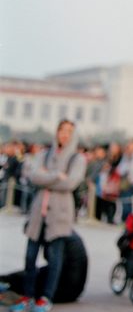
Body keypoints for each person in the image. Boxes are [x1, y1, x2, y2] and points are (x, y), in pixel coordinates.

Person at [10, 120, 86, 312]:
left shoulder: (77, 158)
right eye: (62, 130)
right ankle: (27, 296)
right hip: (39, 212)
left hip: (60, 215)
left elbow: (70, 183)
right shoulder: (45, 154)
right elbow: (33, 176)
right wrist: (56, 176)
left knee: (55, 258)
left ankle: (46, 297)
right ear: (57, 132)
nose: (65, 135)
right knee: (30, 257)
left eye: (69, 131)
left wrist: (46, 177)